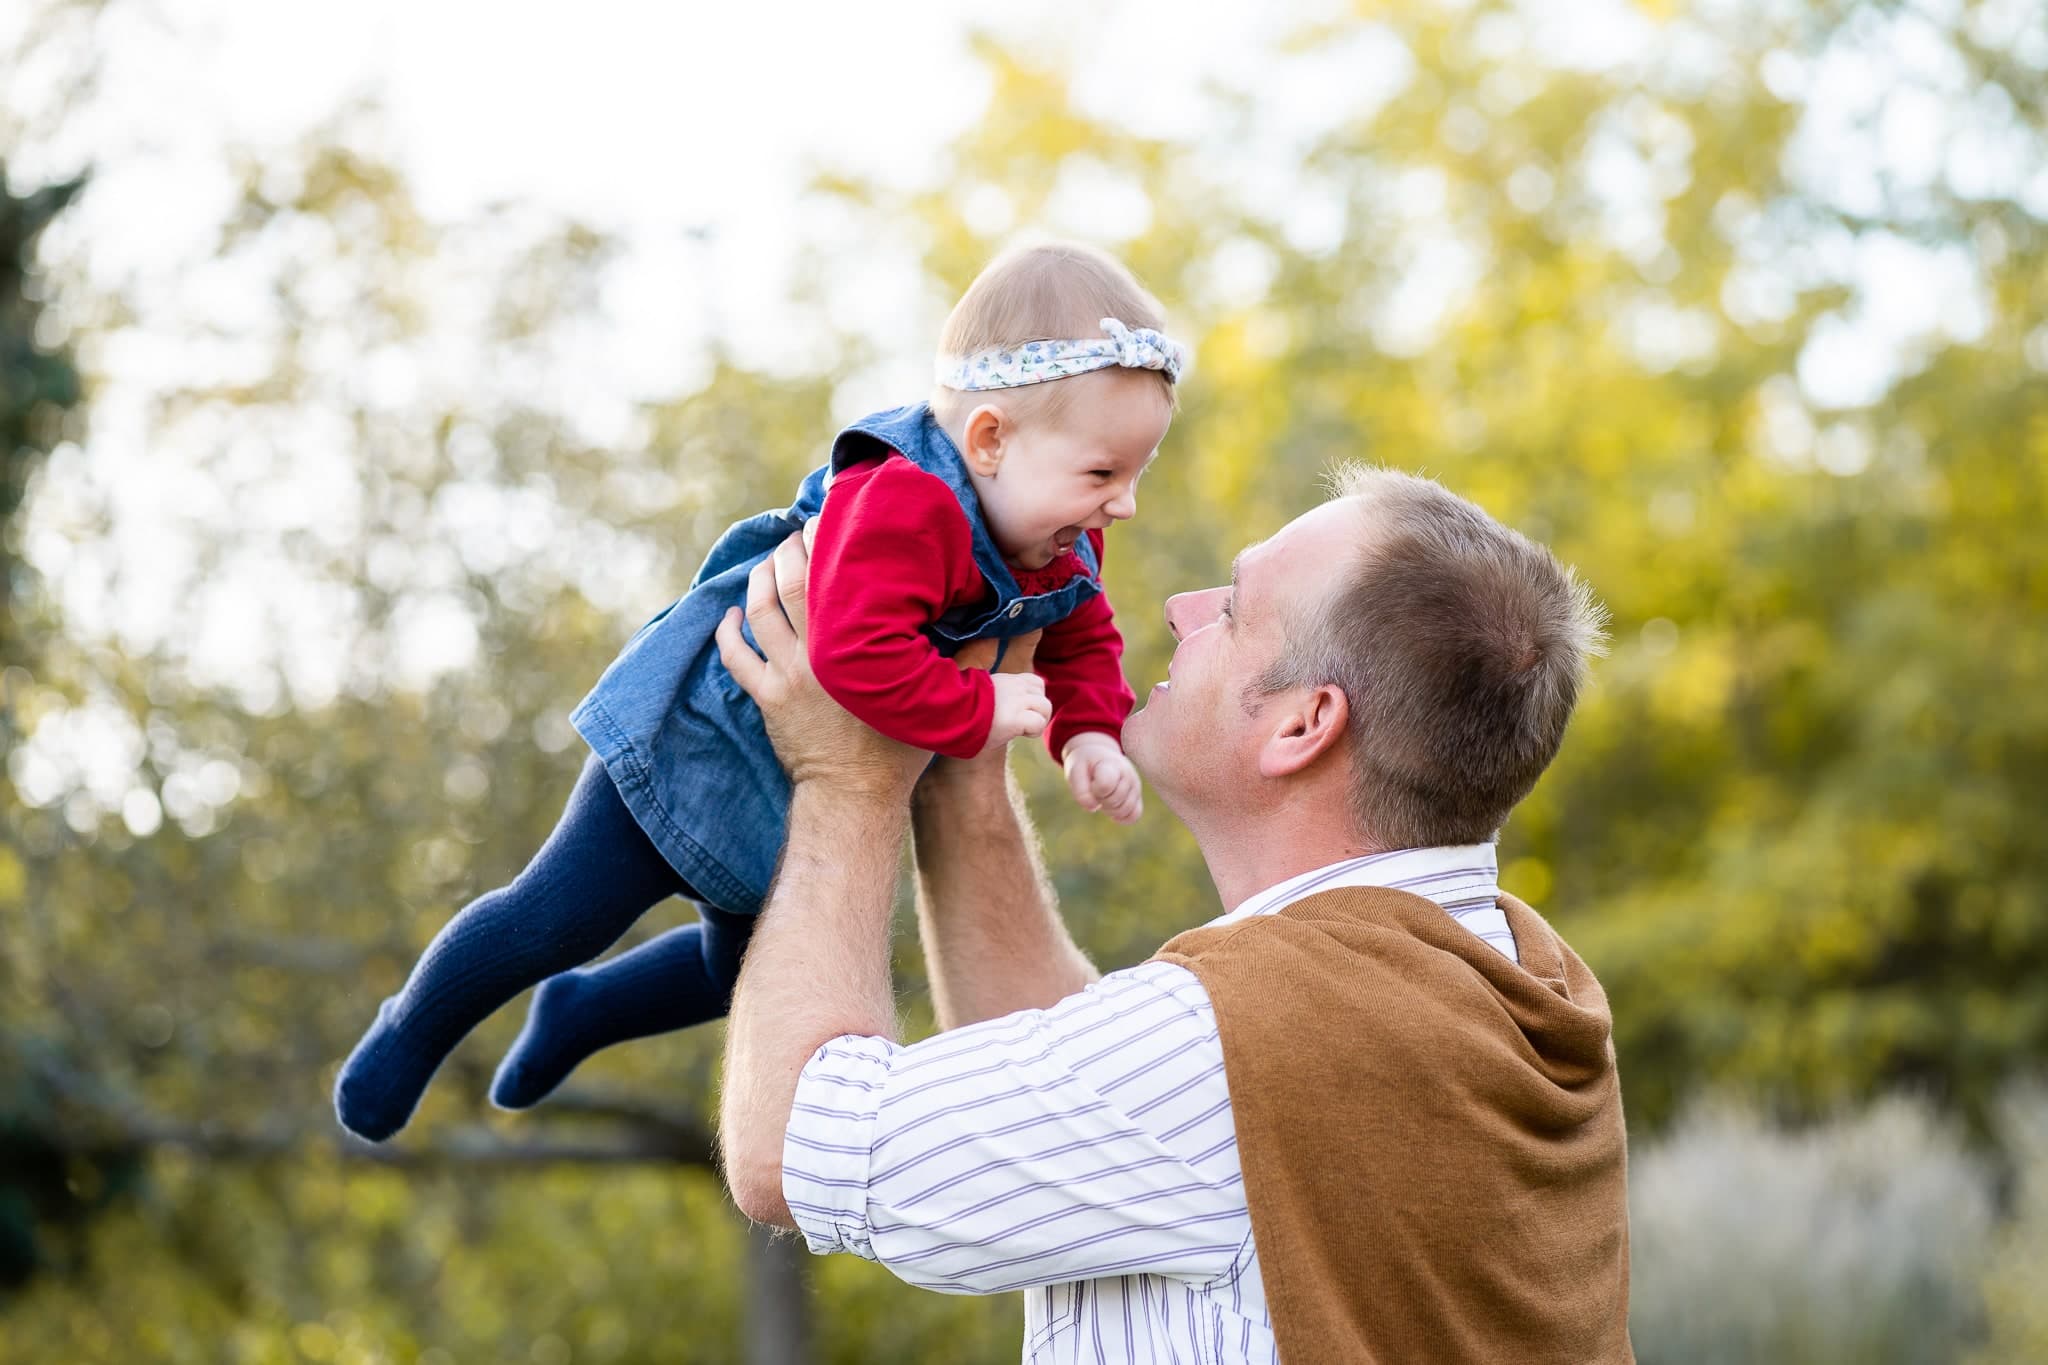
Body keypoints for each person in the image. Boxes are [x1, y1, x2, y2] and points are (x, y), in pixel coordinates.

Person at [717, 468, 1632, 1364]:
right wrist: (960, 753)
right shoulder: (1506, 969)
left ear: (1303, 724)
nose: (1179, 608)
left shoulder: (1237, 1040)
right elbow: (1087, 1073)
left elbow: (792, 1143)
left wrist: (845, 777)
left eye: (1231, 608)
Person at [333, 242, 1188, 1142]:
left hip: (801, 787)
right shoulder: (903, 500)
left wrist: (1090, 731)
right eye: (1102, 474)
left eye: (1136, 475)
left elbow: (1085, 631)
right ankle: (409, 1027)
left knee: (752, 975)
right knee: (556, 916)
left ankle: (580, 1013)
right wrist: (978, 711)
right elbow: (853, 656)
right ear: (989, 439)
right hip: (699, 736)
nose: (1122, 504)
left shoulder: (1060, 531)